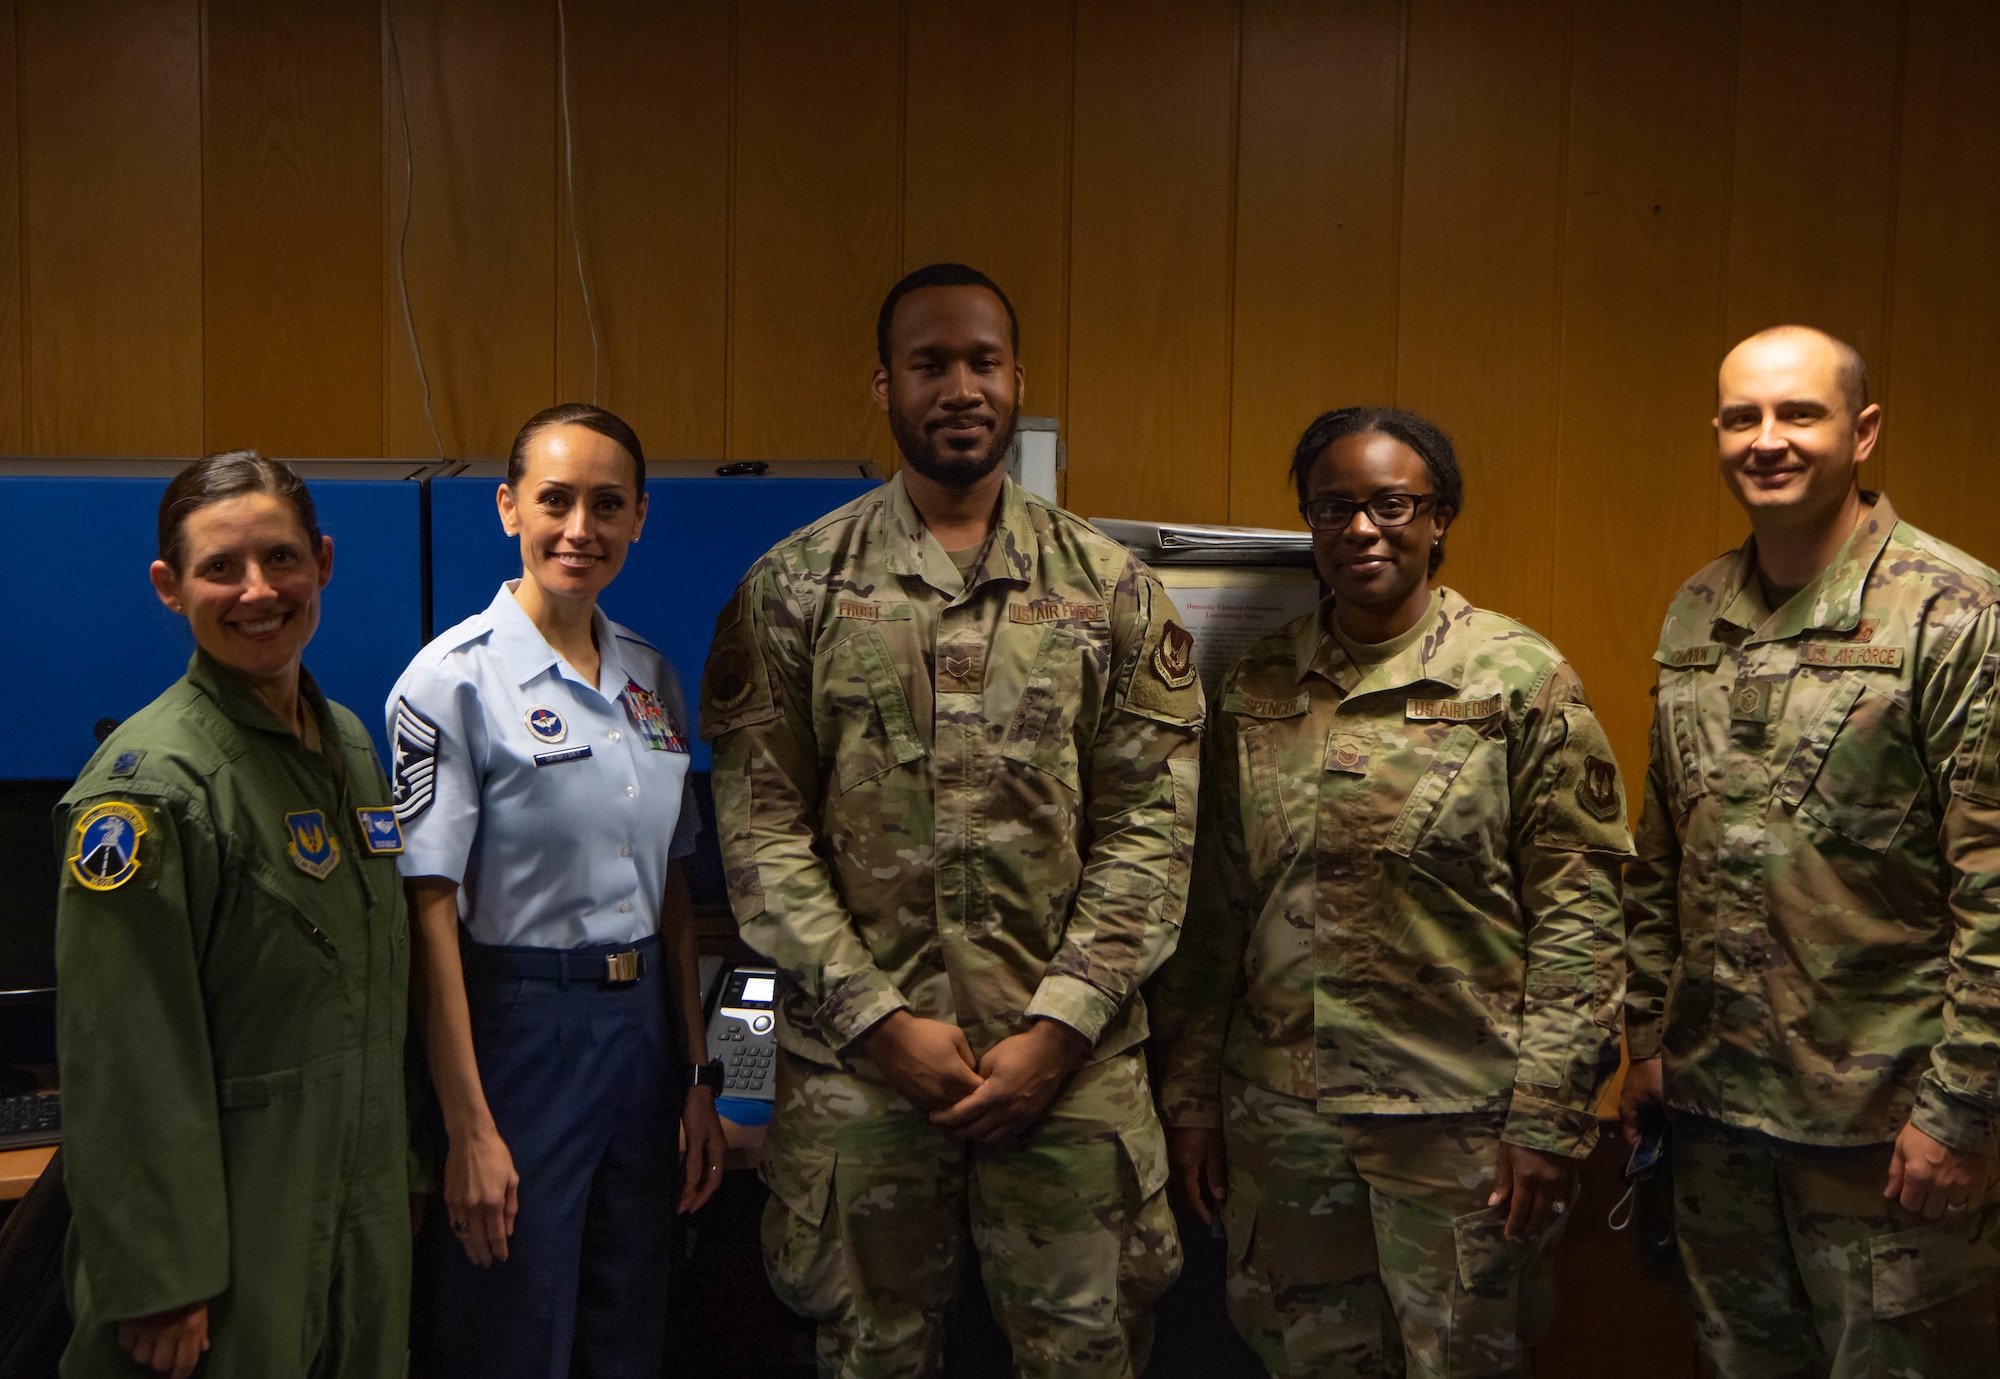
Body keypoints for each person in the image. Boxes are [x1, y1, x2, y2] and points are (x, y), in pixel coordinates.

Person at [701, 262, 1202, 1378]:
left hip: (1068, 1080)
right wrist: (879, 1020)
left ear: (1017, 379)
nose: (960, 386)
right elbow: (761, 837)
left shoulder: (1111, 589)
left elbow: (1149, 834)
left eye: (982, 361)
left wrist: (1056, 1028)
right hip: (858, 1078)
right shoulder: (793, 589)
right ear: (884, 385)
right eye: (930, 364)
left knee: (1087, 1355)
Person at [1151, 407, 1634, 1378]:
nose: (1361, 529)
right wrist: (1193, 1093)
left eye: (1390, 504)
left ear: (1438, 516)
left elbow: (1580, 919)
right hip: (1283, 1121)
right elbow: (1214, 909)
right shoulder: (1258, 681)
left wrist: (1549, 1118)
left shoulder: (1516, 681)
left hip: (1457, 1127)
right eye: (1332, 508)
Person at [1621, 326, 2000, 1376]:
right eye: (1742, 416)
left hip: (1880, 1132)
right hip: (1713, 1115)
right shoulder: (1697, 608)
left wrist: (1960, 1111)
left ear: (1861, 431)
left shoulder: (1952, 612)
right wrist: (1643, 1036)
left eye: (1798, 413)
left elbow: (1993, 892)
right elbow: (1661, 850)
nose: (1766, 439)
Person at [387, 404, 726, 1377]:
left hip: (642, 1039)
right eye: (556, 500)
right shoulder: (451, 681)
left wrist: (702, 1079)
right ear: (507, 508)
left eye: (607, 505)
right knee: (510, 1327)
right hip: (519, 1027)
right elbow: (428, 912)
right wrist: (466, 1126)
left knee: (628, 1325)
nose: (581, 528)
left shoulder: (652, 677)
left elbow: (670, 888)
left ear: (638, 519)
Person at [55, 452, 409, 1378]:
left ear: (323, 562)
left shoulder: (351, 749)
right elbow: (125, 1051)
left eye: (282, 558)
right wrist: (159, 1276)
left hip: (354, 1212)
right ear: (170, 588)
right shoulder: (149, 792)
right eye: (221, 568)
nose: (259, 590)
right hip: (225, 1238)